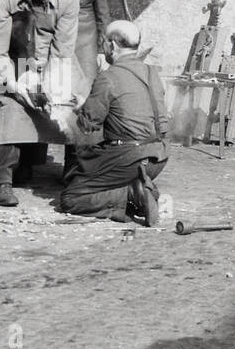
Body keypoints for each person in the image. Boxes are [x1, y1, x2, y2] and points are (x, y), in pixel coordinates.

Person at [0, 0, 82, 207]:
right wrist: (15, 85)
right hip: (16, 62)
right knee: (10, 109)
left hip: (54, 63)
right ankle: (2, 180)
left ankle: (74, 175)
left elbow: (63, 52)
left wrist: (50, 88)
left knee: (76, 107)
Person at [60, 19, 168, 226]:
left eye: (104, 44)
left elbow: (88, 125)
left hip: (130, 158)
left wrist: (81, 107)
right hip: (160, 157)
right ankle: (138, 187)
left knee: (71, 198)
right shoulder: (153, 73)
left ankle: (131, 194)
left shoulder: (108, 77)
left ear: (112, 45)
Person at [53, 0, 111, 177]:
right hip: (52, 33)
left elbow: (102, 9)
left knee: (81, 98)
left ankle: (74, 168)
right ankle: (28, 161)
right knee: (46, 91)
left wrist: (101, 48)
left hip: (84, 35)